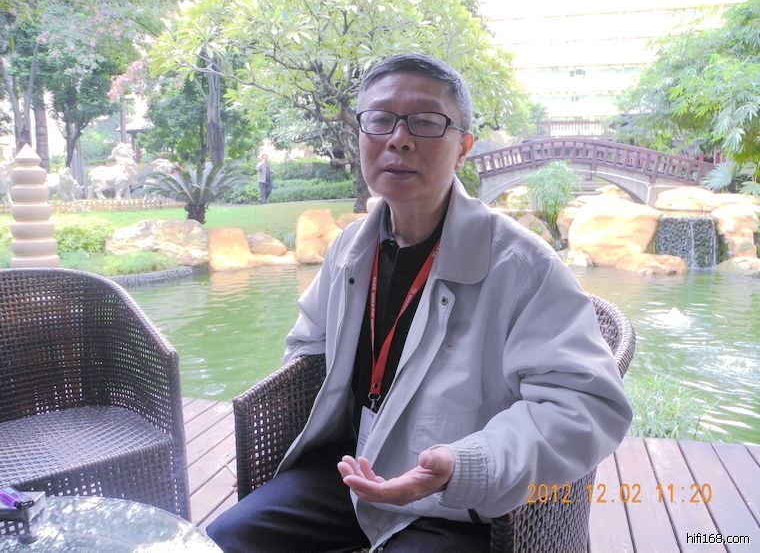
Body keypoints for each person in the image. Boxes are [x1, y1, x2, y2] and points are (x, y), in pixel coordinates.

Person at [207, 53, 632, 552]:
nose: (399, 139)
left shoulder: (522, 267)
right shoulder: (349, 250)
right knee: (226, 539)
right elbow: (307, 345)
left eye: (426, 122)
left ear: (463, 148)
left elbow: (586, 406)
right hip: (352, 470)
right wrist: (294, 420)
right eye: (380, 119)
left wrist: (465, 465)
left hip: (459, 503)